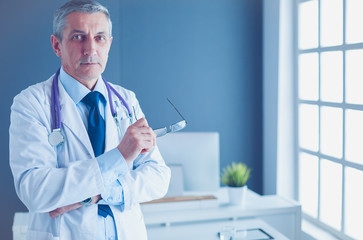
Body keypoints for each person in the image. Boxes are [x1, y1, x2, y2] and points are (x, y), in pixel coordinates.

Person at [9, 1, 171, 239]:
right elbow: (35, 189)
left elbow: (158, 177)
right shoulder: (31, 104)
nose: (90, 48)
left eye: (100, 38)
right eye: (78, 37)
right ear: (57, 45)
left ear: (109, 44)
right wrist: (120, 157)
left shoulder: (126, 100)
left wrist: (92, 195)